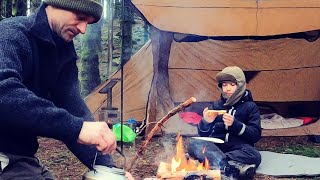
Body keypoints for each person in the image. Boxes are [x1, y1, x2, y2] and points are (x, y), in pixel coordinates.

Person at [0, 0, 133, 179]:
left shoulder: (63, 51)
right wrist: (76, 128)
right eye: (80, 18)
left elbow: (73, 107)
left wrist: (109, 170)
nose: (83, 29)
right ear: (54, 4)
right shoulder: (11, 34)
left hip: (22, 158)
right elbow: (4, 94)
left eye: (89, 22)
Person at [187, 66, 261, 180]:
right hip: (217, 146)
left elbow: (255, 135)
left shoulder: (250, 107)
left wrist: (236, 125)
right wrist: (206, 122)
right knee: (193, 143)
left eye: (232, 85)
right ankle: (230, 166)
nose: (227, 89)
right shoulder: (216, 106)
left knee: (255, 155)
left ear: (240, 85)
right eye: (224, 85)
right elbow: (204, 135)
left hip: (238, 147)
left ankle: (216, 162)